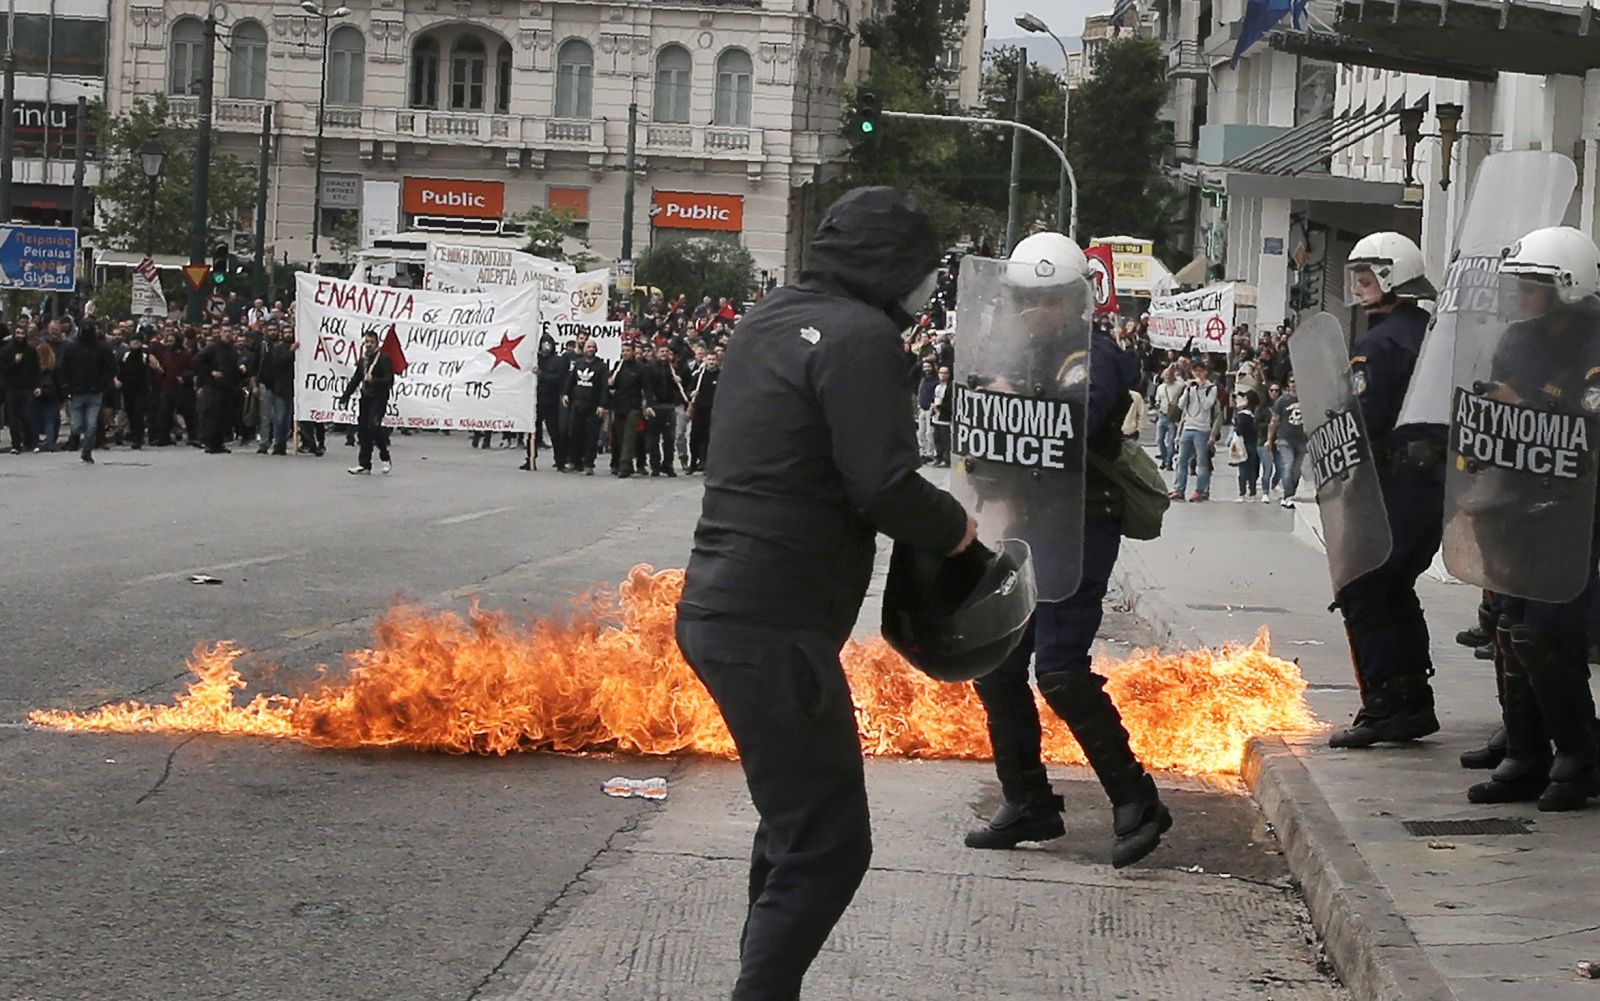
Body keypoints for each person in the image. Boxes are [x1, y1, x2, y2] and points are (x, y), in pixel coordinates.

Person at [676, 187, 978, 999]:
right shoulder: (863, 337)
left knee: (794, 829)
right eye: (923, 267)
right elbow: (884, 487)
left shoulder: (769, 317)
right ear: (892, 266)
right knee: (829, 847)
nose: (926, 285)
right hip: (773, 626)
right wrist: (959, 532)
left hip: (721, 610)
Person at [960, 232, 1172, 868]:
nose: (1034, 311)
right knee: (997, 668)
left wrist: (1013, 399)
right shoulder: (1019, 356)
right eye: (1025, 298)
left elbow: (1082, 414)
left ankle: (1137, 800)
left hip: (1077, 529)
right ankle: (1028, 801)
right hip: (1022, 526)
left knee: (1059, 669)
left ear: (1074, 301)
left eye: (1047, 299)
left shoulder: (1091, 356)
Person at [1460, 227, 1600, 810]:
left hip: (1579, 506)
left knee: (1547, 630)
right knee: (1511, 626)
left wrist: (1534, 408)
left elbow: (1591, 424)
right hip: (1518, 501)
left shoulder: (1595, 344)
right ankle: (1525, 753)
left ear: (1569, 286)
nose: (1521, 292)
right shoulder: (1517, 340)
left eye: (1534, 283)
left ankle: (1580, 754)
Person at [1323, 233, 1447, 749]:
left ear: (1395, 277)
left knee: (1363, 588)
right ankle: (1414, 698)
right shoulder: (1432, 332)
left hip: (1393, 482)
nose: (1359, 286)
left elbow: (1365, 417)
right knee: (1396, 588)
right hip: (1432, 485)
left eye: (1368, 276)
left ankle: (1384, 703)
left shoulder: (1379, 343)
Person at [57, 321, 115, 464]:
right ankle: (76, 439)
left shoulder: (102, 348)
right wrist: (66, 387)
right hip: (77, 392)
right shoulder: (71, 348)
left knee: (91, 425)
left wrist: (102, 384)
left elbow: (111, 368)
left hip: (95, 393)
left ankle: (87, 453)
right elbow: (63, 368)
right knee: (76, 427)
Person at [337, 329, 394, 475]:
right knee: (362, 431)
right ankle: (364, 464)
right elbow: (356, 379)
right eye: (366, 342)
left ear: (377, 343)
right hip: (366, 398)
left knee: (373, 428)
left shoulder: (383, 358)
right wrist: (345, 397)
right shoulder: (364, 360)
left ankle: (385, 457)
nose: (368, 345)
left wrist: (373, 380)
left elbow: (389, 380)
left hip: (379, 398)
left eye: (371, 342)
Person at [1170, 358, 1220, 502]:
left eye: (1200, 371)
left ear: (1205, 372)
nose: (1197, 374)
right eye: (1195, 371)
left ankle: (1200, 490)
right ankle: (1179, 490)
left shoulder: (1212, 388)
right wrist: (1188, 389)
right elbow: (1180, 405)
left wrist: (1201, 389)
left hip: (1202, 428)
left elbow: (1206, 405)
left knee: (1201, 462)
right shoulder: (1189, 386)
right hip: (1188, 426)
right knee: (1181, 460)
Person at [562, 340, 607, 475]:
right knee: (574, 434)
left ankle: (588, 464)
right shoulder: (578, 364)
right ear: (584, 348)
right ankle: (575, 462)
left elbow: (604, 387)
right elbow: (571, 380)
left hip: (593, 407)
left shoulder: (601, 366)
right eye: (588, 346)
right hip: (577, 404)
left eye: (593, 347)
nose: (591, 349)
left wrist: (603, 405)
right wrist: (565, 393)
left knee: (591, 437)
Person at [193, 329, 242, 454]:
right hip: (213, 387)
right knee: (212, 417)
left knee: (223, 418)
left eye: (229, 332)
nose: (227, 334)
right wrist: (210, 372)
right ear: (220, 334)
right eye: (225, 332)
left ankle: (219, 444)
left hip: (228, 388)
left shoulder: (232, 350)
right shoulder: (212, 348)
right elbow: (197, 361)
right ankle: (210, 444)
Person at [607, 340, 651, 478]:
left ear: (633, 352)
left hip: (633, 407)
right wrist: (610, 383)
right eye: (623, 351)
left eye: (628, 351)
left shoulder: (640, 368)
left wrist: (648, 405)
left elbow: (647, 388)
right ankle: (626, 463)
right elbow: (612, 386)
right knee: (619, 437)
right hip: (619, 406)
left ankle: (624, 467)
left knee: (629, 437)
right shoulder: (618, 367)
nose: (625, 353)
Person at [644, 343, 688, 477]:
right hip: (655, 406)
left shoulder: (673, 368)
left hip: (669, 406)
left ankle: (668, 465)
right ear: (657, 353)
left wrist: (678, 381)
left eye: (666, 352)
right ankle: (655, 466)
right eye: (661, 351)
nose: (664, 354)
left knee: (669, 438)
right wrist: (649, 405)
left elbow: (679, 388)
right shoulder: (649, 368)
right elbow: (647, 388)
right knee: (653, 439)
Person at [1266, 374, 1306, 507]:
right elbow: (1274, 421)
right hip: (1285, 438)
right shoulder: (1282, 401)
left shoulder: (1306, 399)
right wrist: (1269, 440)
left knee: (1296, 470)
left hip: (1301, 439)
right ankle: (1288, 495)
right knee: (1287, 466)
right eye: (1292, 382)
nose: (1294, 385)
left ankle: (1291, 492)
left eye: (1296, 382)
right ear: (1288, 384)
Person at [530, 337, 568, 471]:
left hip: (551, 401)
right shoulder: (535, 359)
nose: (546, 348)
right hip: (535, 401)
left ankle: (560, 461)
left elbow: (559, 379)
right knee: (532, 432)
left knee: (555, 433)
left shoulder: (558, 361)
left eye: (548, 345)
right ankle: (530, 458)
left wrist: (542, 375)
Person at [0, 322, 39, 453]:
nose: (20, 336)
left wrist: (36, 385)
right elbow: (4, 369)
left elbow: (36, 370)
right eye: (17, 333)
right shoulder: (6, 351)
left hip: (27, 388)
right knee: (13, 419)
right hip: (12, 388)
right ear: (13, 334)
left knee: (28, 416)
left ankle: (31, 442)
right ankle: (16, 444)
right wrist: (15, 363)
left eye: (22, 333)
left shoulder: (31, 351)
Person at [687, 348, 721, 473]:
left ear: (717, 361)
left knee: (709, 439)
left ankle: (706, 463)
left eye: (713, 360)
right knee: (694, 438)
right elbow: (689, 391)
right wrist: (692, 393)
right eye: (709, 359)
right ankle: (693, 462)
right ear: (705, 360)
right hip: (699, 411)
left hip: (714, 411)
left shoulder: (721, 376)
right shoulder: (698, 375)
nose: (711, 362)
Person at [1230, 388, 1261, 501]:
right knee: (1252, 469)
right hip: (1253, 443)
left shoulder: (1242, 416)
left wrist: (1235, 424)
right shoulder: (1255, 414)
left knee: (1243, 469)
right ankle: (1252, 492)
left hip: (1243, 443)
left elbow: (1239, 430)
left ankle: (1242, 493)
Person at [1152, 366, 1182, 470]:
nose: (1167, 377)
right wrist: (1157, 404)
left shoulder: (1179, 386)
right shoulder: (1160, 387)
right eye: (1165, 375)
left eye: (1169, 375)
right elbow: (1158, 399)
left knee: (1170, 441)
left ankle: (1168, 462)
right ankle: (1165, 459)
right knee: (1159, 440)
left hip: (1172, 416)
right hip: (1161, 414)